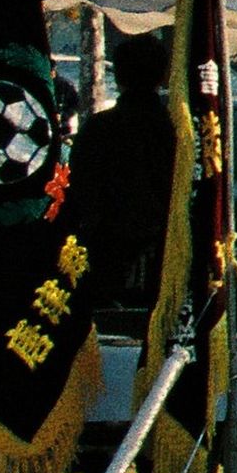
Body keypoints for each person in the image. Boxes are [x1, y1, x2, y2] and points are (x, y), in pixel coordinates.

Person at [63, 29, 177, 331]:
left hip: (105, 246)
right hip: (162, 246)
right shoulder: (173, 129)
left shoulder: (101, 127)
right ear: (164, 74)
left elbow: (80, 186)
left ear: (120, 77)